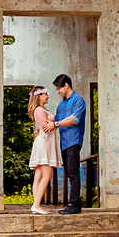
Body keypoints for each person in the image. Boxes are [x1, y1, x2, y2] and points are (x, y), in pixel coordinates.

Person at [45, 73, 87, 214]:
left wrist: (56, 123)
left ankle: (74, 204)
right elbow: (54, 122)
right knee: (69, 173)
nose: (58, 92)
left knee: (74, 173)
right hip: (63, 143)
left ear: (66, 85)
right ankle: (74, 204)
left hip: (73, 141)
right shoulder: (61, 105)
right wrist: (41, 129)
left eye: (58, 88)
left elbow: (74, 119)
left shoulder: (78, 100)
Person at [26, 86, 60, 215]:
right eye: (46, 94)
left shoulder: (40, 110)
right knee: (47, 175)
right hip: (45, 143)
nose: (48, 96)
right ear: (39, 96)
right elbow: (47, 128)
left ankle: (36, 204)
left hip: (43, 141)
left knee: (39, 176)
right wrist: (57, 124)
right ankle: (36, 205)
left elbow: (42, 127)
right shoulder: (39, 110)